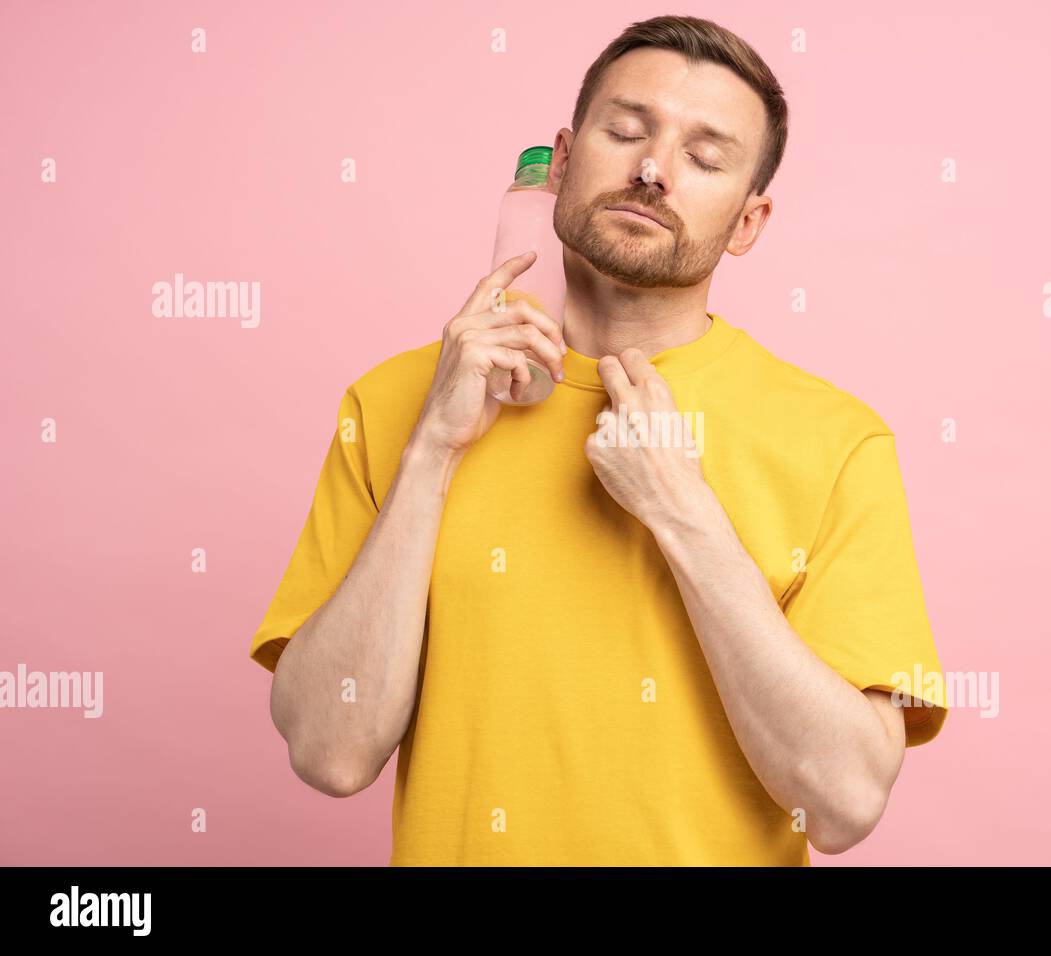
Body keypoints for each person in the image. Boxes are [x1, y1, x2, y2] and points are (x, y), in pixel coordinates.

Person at [249, 14, 946, 866]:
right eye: (625, 131)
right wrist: (430, 452)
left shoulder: (839, 442)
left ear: (748, 222)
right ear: (565, 159)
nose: (653, 170)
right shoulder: (396, 403)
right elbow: (329, 751)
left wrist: (684, 513)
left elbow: (841, 802)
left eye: (705, 157)